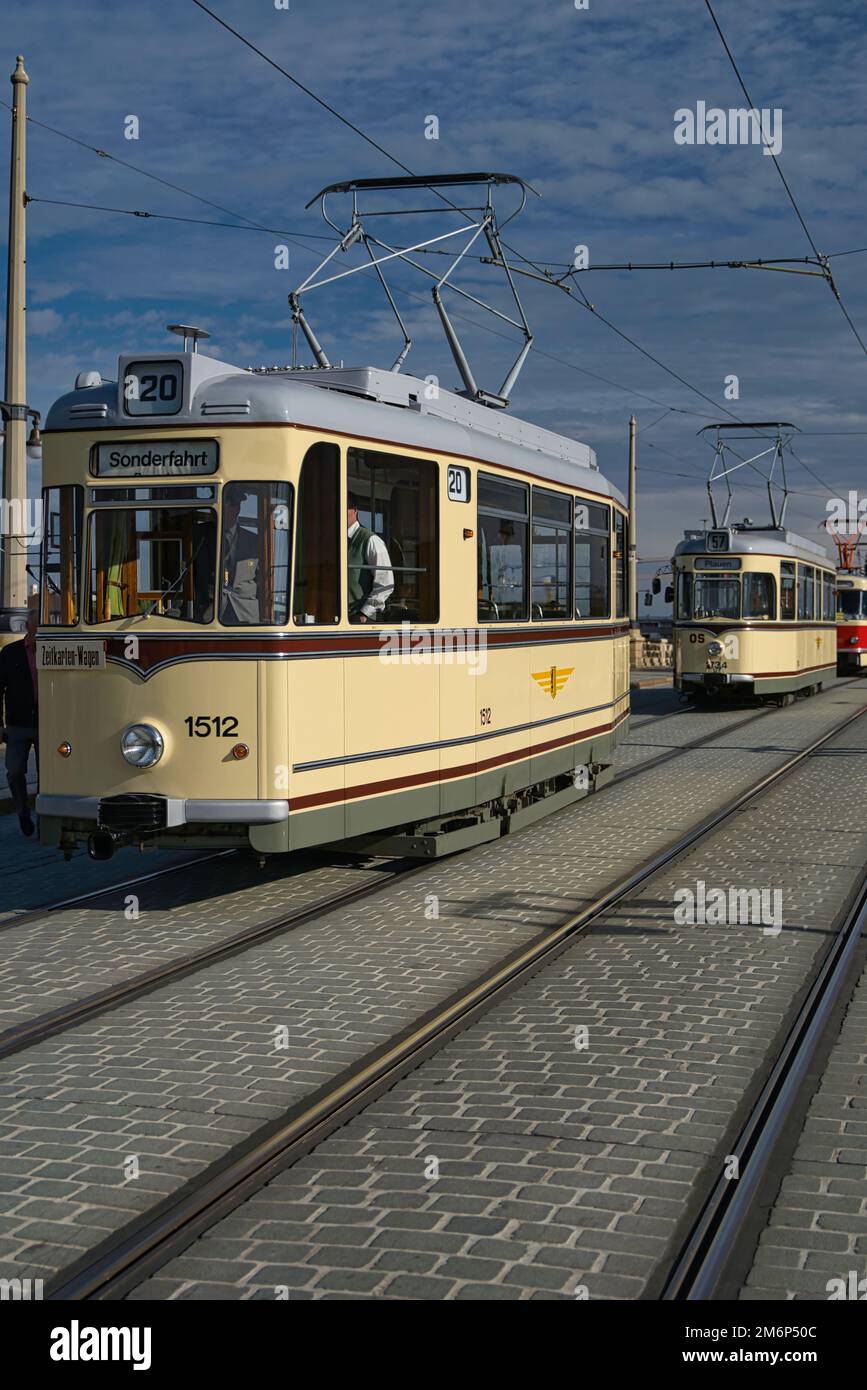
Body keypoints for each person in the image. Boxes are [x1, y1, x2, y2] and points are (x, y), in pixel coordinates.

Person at [0, 609, 39, 836]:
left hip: (47, 724)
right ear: (27, 626)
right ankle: (23, 812)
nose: (37, 632)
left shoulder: (53, 651)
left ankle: (45, 819)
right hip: (17, 724)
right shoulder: (10, 653)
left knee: (49, 777)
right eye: (35, 627)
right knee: (14, 772)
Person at [347, 496, 394, 622]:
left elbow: (385, 582)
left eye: (345, 508)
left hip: (362, 620)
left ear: (355, 511)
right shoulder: (336, 540)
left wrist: (365, 613)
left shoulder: (371, 540)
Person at [220, 485, 260, 624]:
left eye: (226, 505)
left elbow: (263, 580)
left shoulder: (254, 541)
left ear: (237, 509)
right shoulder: (203, 536)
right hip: (211, 612)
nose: (220, 510)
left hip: (245, 612)